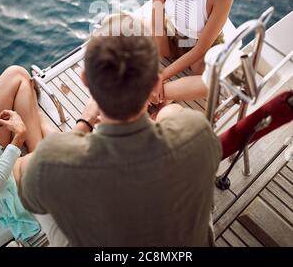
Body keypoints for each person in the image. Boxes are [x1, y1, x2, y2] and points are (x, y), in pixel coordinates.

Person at [18, 15, 222, 247]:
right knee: (172, 113)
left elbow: (29, 196)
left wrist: (84, 123)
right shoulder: (199, 132)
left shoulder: (47, 162)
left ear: (86, 81)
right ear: (156, 84)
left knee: (26, 170)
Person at [0, 66, 43, 242]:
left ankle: (39, 151)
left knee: (17, 75)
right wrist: (17, 142)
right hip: (0, 193)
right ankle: (41, 158)